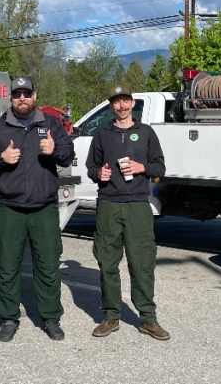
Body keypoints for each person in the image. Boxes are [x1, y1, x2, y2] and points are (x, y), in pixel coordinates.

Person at [0, 77, 75, 342]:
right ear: (11, 98)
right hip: (9, 207)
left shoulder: (51, 124)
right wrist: (1, 158)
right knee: (7, 265)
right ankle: (9, 318)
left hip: (43, 207)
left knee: (47, 264)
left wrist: (55, 150)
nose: (22, 98)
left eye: (27, 93)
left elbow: (68, 155)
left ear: (35, 95)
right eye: (17, 94)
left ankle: (50, 318)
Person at [85, 86, 170, 340]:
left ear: (132, 103)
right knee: (108, 263)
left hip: (137, 206)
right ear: (112, 106)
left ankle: (148, 319)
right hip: (108, 205)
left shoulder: (145, 133)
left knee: (142, 263)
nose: (121, 106)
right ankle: (111, 316)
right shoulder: (102, 133)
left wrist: (141, 166)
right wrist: (99, 173)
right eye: (116, 102)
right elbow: (91, 166)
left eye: (125, 101)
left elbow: (160, 167)